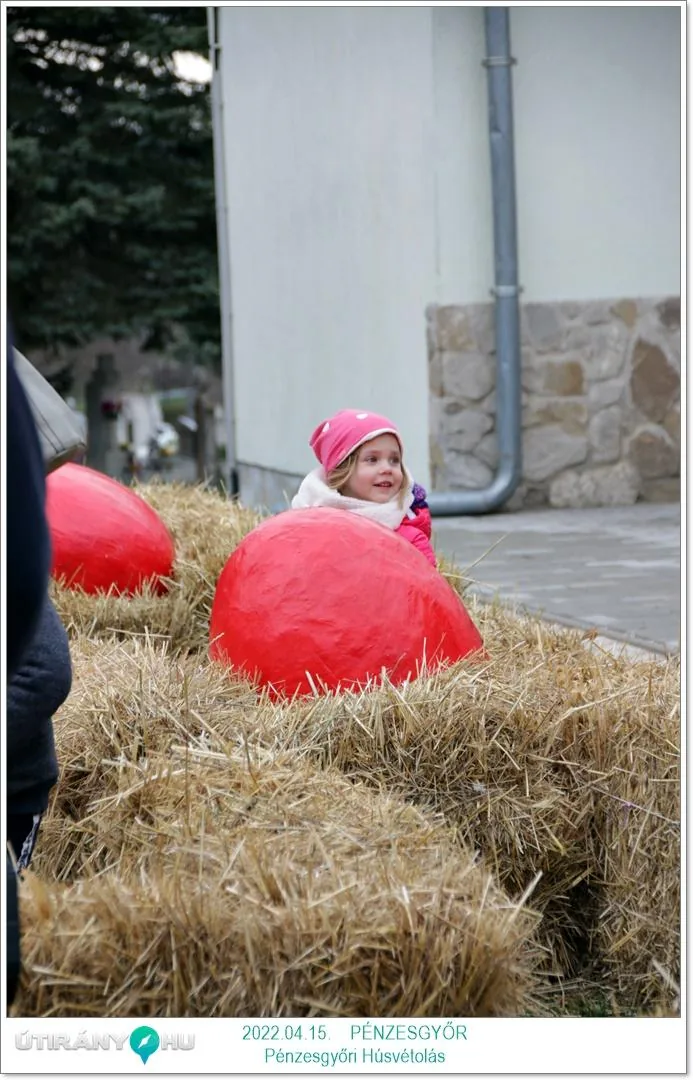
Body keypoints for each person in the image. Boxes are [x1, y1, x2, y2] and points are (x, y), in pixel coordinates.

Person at [291, 408, 436, 566]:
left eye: (394, 460)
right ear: (343, 468)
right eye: (372, 459)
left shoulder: (409, 540)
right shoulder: (309, 524)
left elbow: (428, 587)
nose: (387, 468)